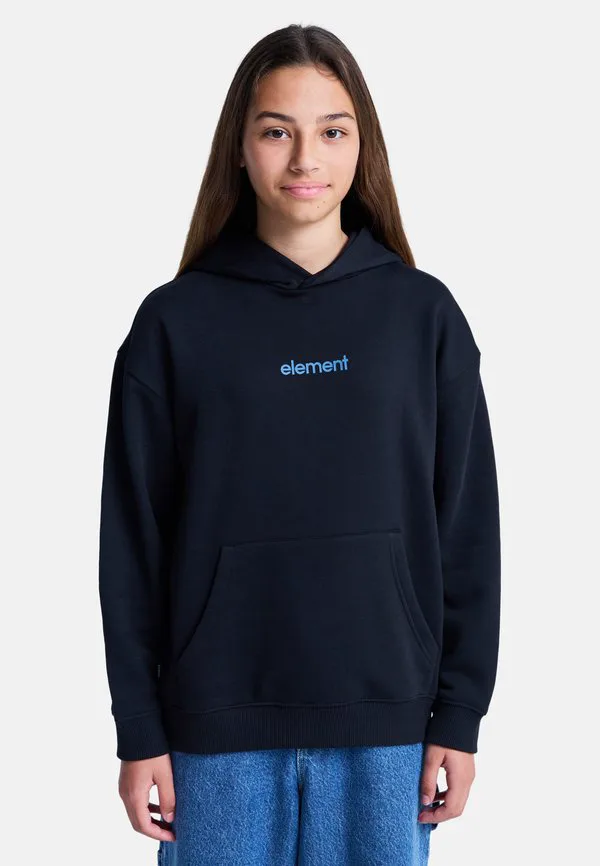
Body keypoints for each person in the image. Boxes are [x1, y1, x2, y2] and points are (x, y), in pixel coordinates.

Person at [98, 23, 501, 866]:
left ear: (362, 145)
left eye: (332, 131)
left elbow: (466, 528)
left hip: (389, 729)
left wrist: (460, 714)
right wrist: (138, 729)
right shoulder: (173, 325)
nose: (305, 158)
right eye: (277, 130)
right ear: (240, 149)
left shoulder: (422, 317)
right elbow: (131, 542)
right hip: (214, 733)